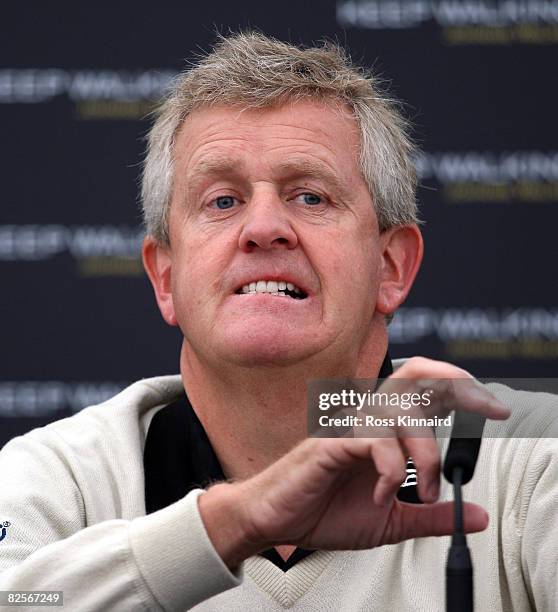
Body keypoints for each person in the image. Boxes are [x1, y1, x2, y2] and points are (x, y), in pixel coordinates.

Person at [0, 31, 556, 612]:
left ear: (390, 267)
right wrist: (231, 523)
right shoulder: (57, 475)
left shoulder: (532, 453)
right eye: (222, 200)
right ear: (165, 278)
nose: (264, 227)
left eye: (311, 197)